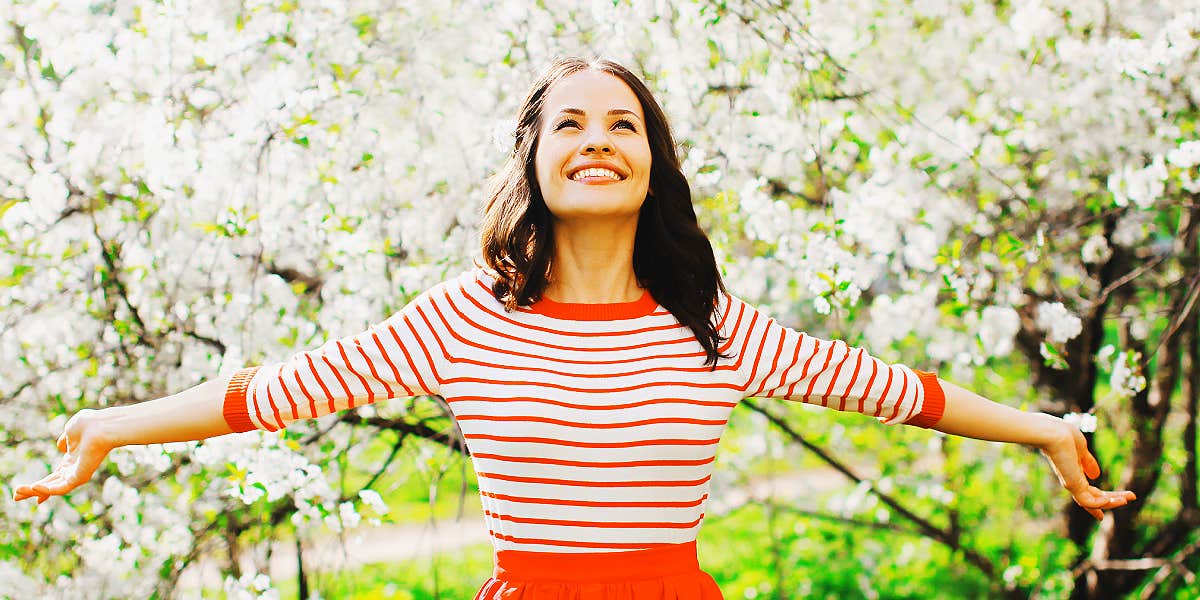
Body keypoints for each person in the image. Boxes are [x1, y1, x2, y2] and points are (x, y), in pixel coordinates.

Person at [14, 57, 1136, 598]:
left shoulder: (712, 328)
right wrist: (111, 423)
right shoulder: (460, 321)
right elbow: (270, 391)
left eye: (624, 125)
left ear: (654, 164)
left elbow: (900, 392)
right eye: (571, 124)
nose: (598, 140)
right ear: (534, 160)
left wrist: (1044, 430)